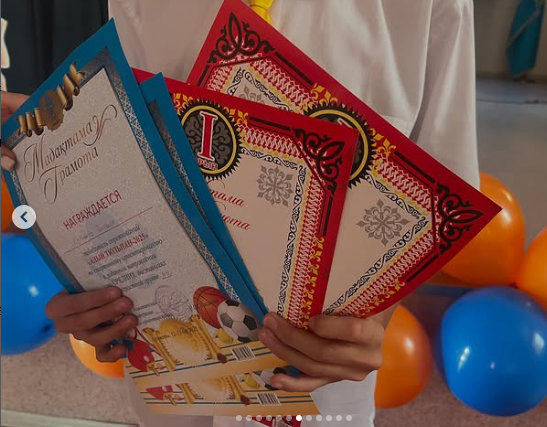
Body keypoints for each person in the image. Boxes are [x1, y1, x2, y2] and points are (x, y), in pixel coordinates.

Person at [1, 0, 480, 426]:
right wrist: (57, 152)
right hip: (174, 369)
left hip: (318, 385)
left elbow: (444, 198)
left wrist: (374, 323)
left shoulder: (426, 8)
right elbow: (134, 143)